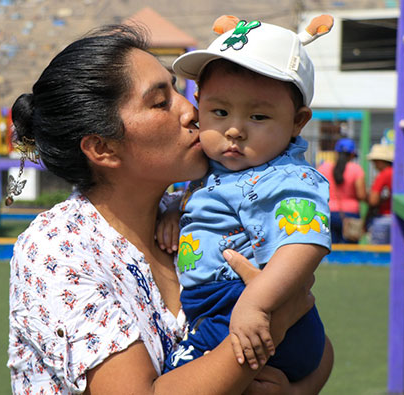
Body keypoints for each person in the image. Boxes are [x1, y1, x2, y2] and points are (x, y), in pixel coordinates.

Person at [7, 24, 333, 394]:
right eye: (161, 102)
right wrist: (274, 318)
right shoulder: (58, 250)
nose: (191, 111)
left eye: (180, 90)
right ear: (102, 148)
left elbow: (314, 339)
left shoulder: (194, 209)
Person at [156, 15, 333, 382]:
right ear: (199, 103)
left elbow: (305, 242)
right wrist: (176, 207)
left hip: (243, 306)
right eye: (219, 112)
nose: (234, 129)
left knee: (178, 380)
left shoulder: (288, 177)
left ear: (298, 121)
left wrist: (257, 304)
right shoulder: (214, 167)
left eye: (258, 116)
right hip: (218, 307)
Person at [316, 138, 366, 243]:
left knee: (328, 247)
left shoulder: (323, 167)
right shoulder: (356, 169)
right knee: (350, 251)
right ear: (352, 154)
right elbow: (361, 195)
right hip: (350, 214)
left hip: (327, 211)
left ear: (336, 153)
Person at [366, 143, 394, 244]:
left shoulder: (383, 175)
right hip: (397, 219)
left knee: (378, 254)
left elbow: (373, 200)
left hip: (383, 218)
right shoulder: (396, 173)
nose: (374, 164)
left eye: (375, 162)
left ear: (381, 161)